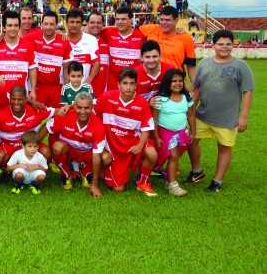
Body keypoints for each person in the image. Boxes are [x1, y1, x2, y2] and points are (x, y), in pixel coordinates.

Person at [186, 29, 254, 192]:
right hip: (203, 114)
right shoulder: (204, 63)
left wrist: (243, 116)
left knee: (224, 147)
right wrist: (192, 111)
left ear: (233, 45)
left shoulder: (240, 66)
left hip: (226, 118)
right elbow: (197, 89)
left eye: (228, 44)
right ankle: (197, 172)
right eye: (220, 44)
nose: (224, 47)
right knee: (190, 141)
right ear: (213, 45)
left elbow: (248, 91)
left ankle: (217, 181)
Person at [92, 68, 157, 197]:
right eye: (125, 83)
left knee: (152, 153)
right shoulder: (107, 97)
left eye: (131, 83)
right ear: (118, 84)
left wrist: (139, 146)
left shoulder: (142, 103)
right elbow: (88, 108)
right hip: (113, 148)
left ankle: (142, 181)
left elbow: (147, 129)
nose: (128, 87)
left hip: (133, 143)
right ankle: (106, 171)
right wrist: (68, 107)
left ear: (135, 85)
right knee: (118, 189)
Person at [0, 86, 55, 182]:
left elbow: (58, 112)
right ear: (9, 99)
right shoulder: (1, 113)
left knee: (46, 152)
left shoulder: (36, 109)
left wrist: (70, 107)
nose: (16, 103)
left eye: (20, 99)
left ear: (26, 99)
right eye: (13, 99)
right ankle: (7, 171)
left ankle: (35, 173)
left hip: (30, 145)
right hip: (9, 145)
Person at [44, 92, 109, 191]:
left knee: (107, 158)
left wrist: (94, 184)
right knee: (57, 147)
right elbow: (46, 128)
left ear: (92, 107)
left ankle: (85, 171)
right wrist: (34, 147)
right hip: (70, 151)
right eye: (79, 107)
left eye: (86, 108)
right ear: (74, 107)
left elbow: (96, 156)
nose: (83, 111)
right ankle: (65, 174)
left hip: (87, 153)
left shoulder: (99, 126)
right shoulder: (64, 115)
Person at [152, 69, 194, 197]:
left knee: (174, 157)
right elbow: (154, 119)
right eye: (174, 81)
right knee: (173, 156)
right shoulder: (161, 99)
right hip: (165, 132)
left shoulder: (186, 98)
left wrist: (192, 132)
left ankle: (170, 181)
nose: (177, 83)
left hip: (181, 132)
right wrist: (156, 136)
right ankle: (173, 185)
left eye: (180, 81)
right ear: (167, 82)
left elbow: (191, 116)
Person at [0, 11, 36, 96]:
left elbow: (32, 68)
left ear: (19, 27)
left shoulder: (28, 46)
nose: (13, 28)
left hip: (20, 98)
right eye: (10, 25)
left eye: (16, 25)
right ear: (4, 28)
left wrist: (33, 90)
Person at [138, 6, 197, 82]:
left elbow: (191, 65)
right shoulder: (151, 29)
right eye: (161, 19)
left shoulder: (186, 38)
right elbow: (129, 31)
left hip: (175, 82)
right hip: (151, 82)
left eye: (167, 20)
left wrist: (195, 88)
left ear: (176, 20)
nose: (163, 23)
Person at [28, 11, 73, 108]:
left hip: (56, 88)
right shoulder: (32, 37)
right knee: (37, 119)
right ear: (42, 24)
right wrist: (0, 35)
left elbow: (66, 70)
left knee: (56, 119)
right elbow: (14, 37)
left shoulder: (64, 42)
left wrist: (66, 92)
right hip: (37, 87)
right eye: (46, 24)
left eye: (52, 24)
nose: (48, 27)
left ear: (57, 25)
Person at [100, 7, 144, 92]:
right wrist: (66, 34)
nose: (120, 22)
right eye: (117, 19)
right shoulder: (108, 32)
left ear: (131, 19)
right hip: (112, 85)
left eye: (123, 19)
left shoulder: (141, 35)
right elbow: (91, 29)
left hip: (132, 86)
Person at [64, 9, 100, 87]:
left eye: (78, 22)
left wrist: (87, 83)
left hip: (83, 87)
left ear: (82, 24)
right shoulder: (61, 39)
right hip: (63, 87)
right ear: (66, 23)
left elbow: (96, 64)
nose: (74, 25)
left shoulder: (91, 39)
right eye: (72, 22)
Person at [7, 131, 48, 195]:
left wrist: (37, 167)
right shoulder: (18, 153)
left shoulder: (40, 156)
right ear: (23, 146)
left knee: (42, 176)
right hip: (22, 173)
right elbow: (8, 168)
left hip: (33, 174)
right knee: (19, 173)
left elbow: (45, 169)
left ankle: (33, 185)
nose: (33, 149)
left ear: (38, 146)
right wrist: (19, 165)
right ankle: (19, 185)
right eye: (30, 146)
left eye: (35, 146)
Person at [86, 12, 109, 98]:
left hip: (102, 94)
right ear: (87, 23)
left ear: (103, 24)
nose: (95, 25)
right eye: (92, 22)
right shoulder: (78, 40)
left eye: (99, 23)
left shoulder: (108, 41)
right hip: (81, 92)